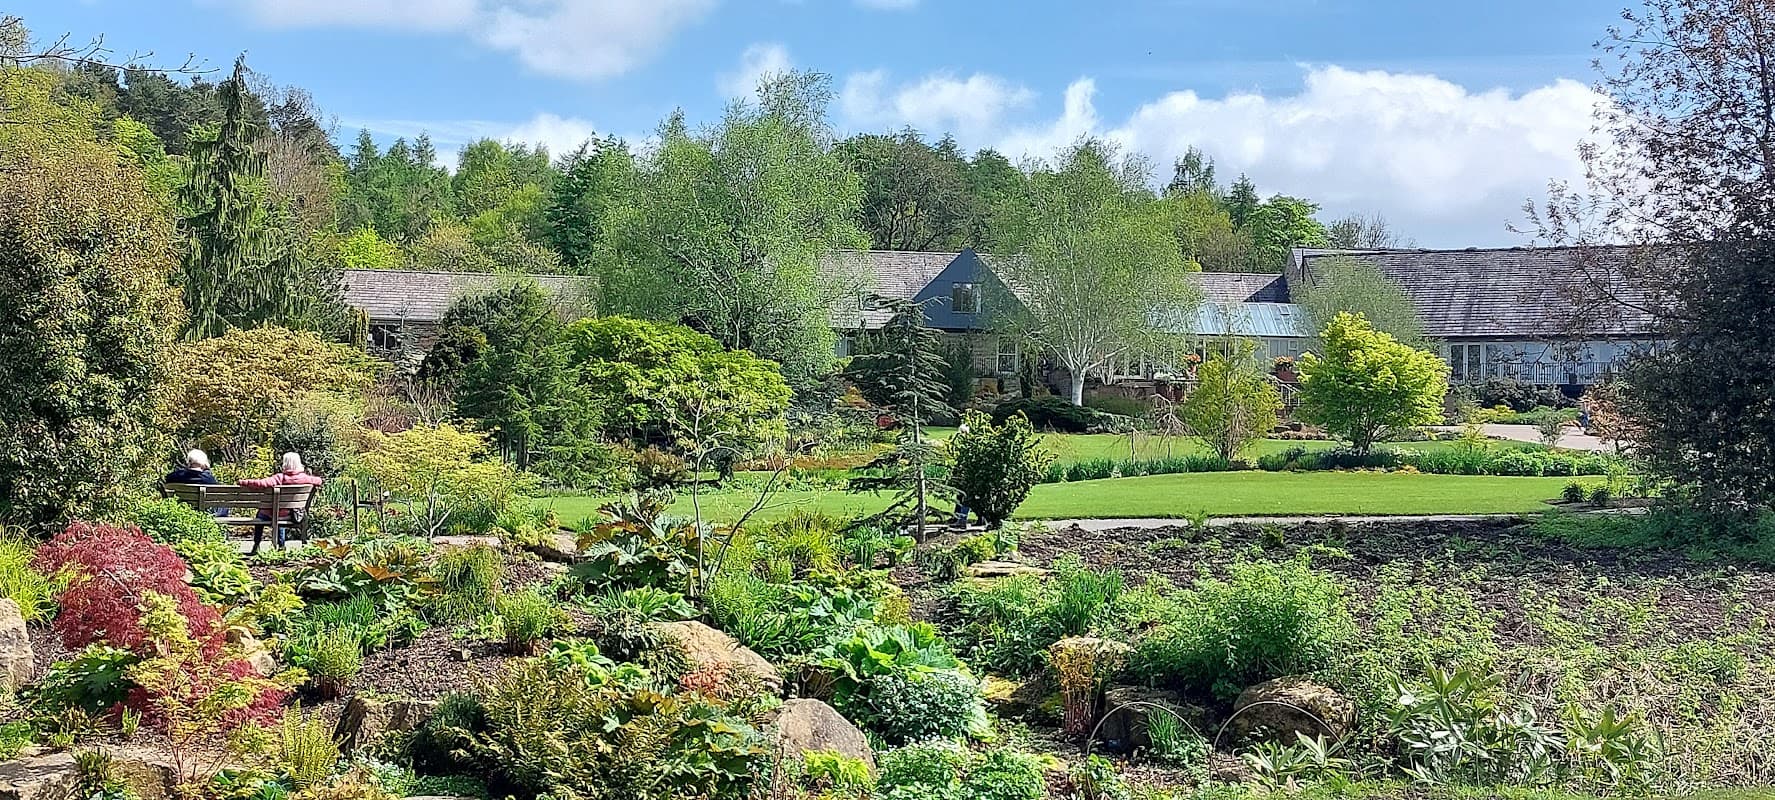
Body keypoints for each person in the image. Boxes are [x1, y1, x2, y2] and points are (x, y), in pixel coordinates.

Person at [239, 452, 324, 553]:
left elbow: (261, 483)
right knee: (280, 514)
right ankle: (281, 546)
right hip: (289, 514)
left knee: (262, 514)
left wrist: (243, 482)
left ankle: (256, 544)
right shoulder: (305, 478)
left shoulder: (279, 478)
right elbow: (319, 481)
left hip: (270, 515)